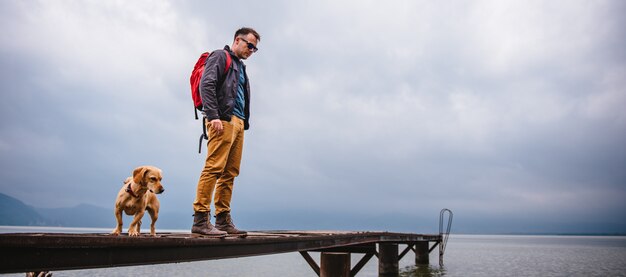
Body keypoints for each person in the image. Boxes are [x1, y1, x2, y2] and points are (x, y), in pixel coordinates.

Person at [192, 27, 260, 236]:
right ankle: (201, 219)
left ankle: (222, 219)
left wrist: (242, 122)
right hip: (222, 120)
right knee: (214, 167)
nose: (251, 50)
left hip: (238, 122)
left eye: (255, 49)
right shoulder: (221, 56)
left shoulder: (241, 67)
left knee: (230, 172)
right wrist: (213, 116)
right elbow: (207, 84)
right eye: (249, 45)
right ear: (237, 40)